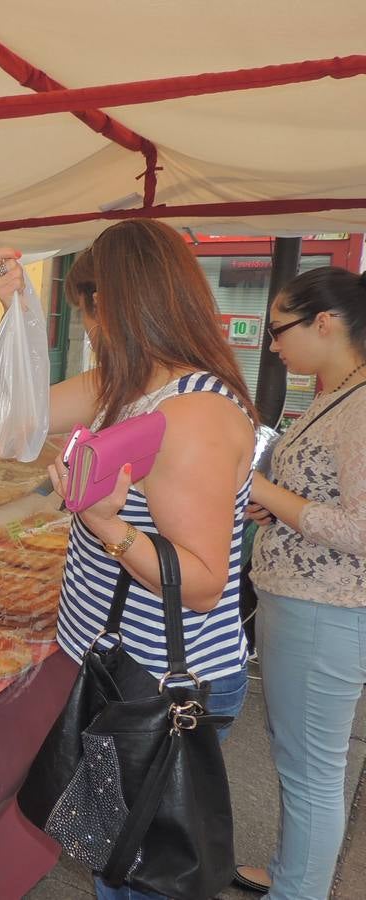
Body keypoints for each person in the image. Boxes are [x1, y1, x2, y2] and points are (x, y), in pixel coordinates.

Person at [0, 220, 258, 900]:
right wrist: (15, 317)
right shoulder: (125, 384)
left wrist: (103, 521)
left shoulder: (191, 412)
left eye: (85, 310)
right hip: (118, 668)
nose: (88, 327)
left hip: (159, 681)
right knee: (120, 855)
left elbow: (199, 583)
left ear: (109, 303)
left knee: (137, 873)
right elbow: (9, 424)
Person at [233, 267, 366, 899]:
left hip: (328, 613)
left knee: (313, 771)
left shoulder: (362, 402)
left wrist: (257, 488)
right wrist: (275, 503)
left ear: (326, 323)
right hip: (300, 603)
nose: (272, 344)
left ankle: (299, 893)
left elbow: (361, 530)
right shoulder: (331, 393)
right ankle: (292, 874)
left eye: (280, 329)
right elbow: (317, 497)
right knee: (298, 758)